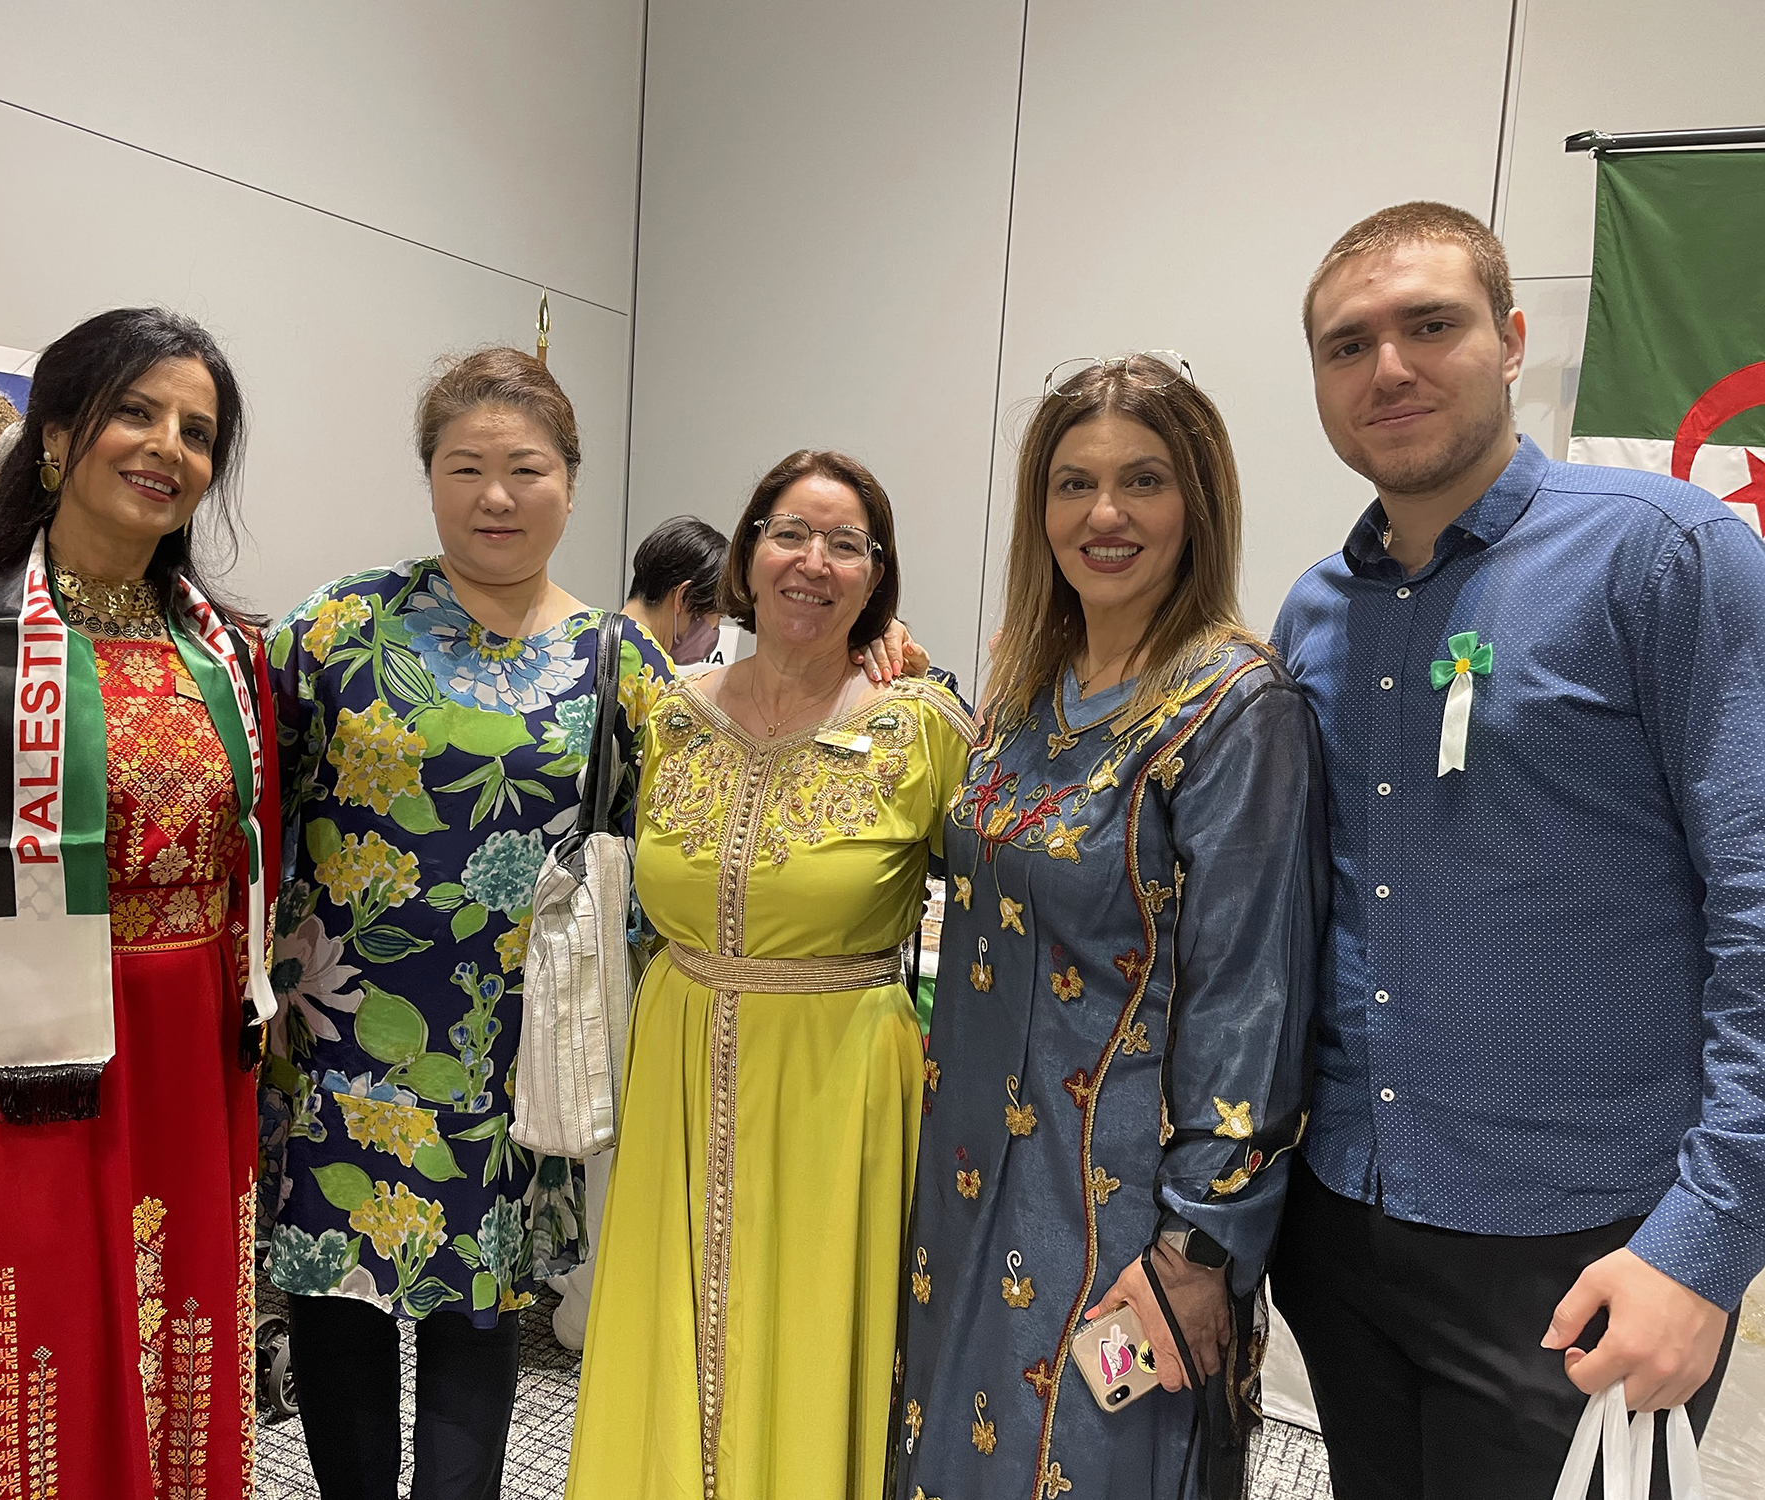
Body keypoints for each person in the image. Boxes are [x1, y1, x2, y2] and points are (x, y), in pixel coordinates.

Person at [1269, 201, 1761, 1496]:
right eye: (1346, 344)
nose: (1387, 368)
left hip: (1586, 1258)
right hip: (1346, 1230)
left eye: (1429, 325)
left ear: (1510, 340)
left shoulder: (1665, 557)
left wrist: (1706, 1246)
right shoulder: (1315, 612)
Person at [0, 307, 278, 1499]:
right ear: (58, 434)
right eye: (135, 411)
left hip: (188, 1079)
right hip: (9, 1082)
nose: (167, 445)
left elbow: (248, 887)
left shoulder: (229, 656)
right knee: (24, 1383)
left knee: (178, 1373)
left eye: (196, 430)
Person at [894, 356, 1324, 1500]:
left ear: (1198, 502)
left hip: (1118, 1213)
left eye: (1142, 480)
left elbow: (1252, 998)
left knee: (1088, 1458)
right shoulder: (1027, 688)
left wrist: (1198, 1248)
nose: (1103, 514)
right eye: (1072, 484)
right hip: (968, 1170)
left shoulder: (1233, 708)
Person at [264, 347, 671, 1500]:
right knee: (336, 1314)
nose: (496, 496)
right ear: (429, 477)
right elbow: (243, 794)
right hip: (335, 1043)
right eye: (464, 467)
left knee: (475, 1330)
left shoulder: (617, 660)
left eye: (525, 468)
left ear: (571, 482)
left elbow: (690, 818)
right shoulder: (338, 628)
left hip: (505, 1054)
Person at [566, 450, 976, 1500]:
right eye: (789, 533)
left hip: (840, 1084)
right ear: (745, 556)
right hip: (675, 1062)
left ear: (875, 576)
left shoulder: (922, 728)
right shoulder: (671, 714)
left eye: (846, 545)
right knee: (667, 1332)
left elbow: (1007, 904)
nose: (812, 562)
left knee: (809, 1337)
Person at [623, 514, 728, 666]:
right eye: (719, 615)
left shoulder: (589, 633)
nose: (715, 627)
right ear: (683, 597)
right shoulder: (650, 673)